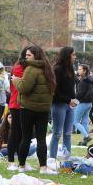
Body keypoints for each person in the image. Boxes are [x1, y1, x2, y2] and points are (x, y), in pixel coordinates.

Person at [12, 45, 55, 174]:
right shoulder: (48, 69)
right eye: (26, 55)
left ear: (35, 56)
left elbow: (24, 88)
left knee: (26, 138)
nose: (26, 57)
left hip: (28, 109)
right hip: (43, 109)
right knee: (41, 139)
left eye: (29, 55)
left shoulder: (31, 69)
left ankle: (21, 166)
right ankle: (43, 167)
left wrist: (16, 80)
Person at [50, 46, 77, 161]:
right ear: (67, 55)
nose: (75, 57)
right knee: (57, 133)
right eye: (73, 55)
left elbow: (71, 88)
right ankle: (52, 159)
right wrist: (68, 100)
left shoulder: (71, 69)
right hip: (59, 104)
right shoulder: (57, 70)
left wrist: (74, 99)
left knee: (68, 133)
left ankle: (67, 159)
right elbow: (54, 91)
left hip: (70, 105)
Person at [6, 49, 26, 171]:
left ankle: (20, 162)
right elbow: (21, 86)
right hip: (16, 104)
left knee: (21, 134)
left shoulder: (21, 67)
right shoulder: (19, 68)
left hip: (20, 104)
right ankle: (11, 162)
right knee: (15, 133)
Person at [73, 64, 93, 146]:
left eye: (80, 69)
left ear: (85, 71)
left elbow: (79, 94)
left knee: (75, 121)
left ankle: (86, 136)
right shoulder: (90, 79)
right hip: (89, 103)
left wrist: (74, 100)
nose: (78, 71)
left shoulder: (83, 81)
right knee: (85, 122)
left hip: (82, 103)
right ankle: (85, 140)